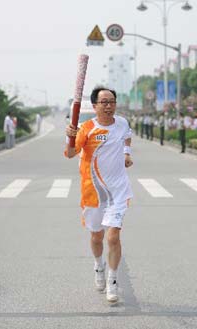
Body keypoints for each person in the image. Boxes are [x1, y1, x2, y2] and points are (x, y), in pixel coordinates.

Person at [64, 87, 133, 303]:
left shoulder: (122, 123)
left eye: (111, 101)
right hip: (93, 191)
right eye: (104, 102)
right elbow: (71, 154)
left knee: (113, 237)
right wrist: (70, 138)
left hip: (118, 190)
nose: (108, 105)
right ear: (95, 106)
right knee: (97, 237)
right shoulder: (87, 128)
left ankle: (112, 280)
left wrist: (126, 155)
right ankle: (98, 266)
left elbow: (127, 138)